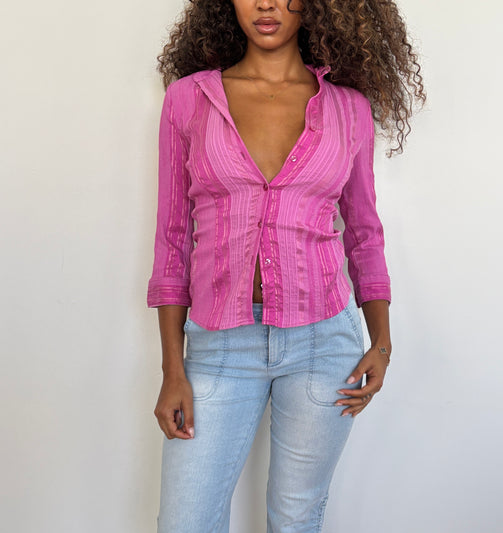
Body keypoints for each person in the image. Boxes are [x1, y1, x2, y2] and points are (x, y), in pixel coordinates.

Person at [147, 1, 425, 531]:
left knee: (296, 519)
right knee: (185, 521)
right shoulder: (189, 99)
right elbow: (171, 240)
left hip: (324, 344)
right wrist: (172, 369)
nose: (266, 4)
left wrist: (382, 343)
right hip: (219, 346)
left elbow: (364, 233)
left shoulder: (348, 109)